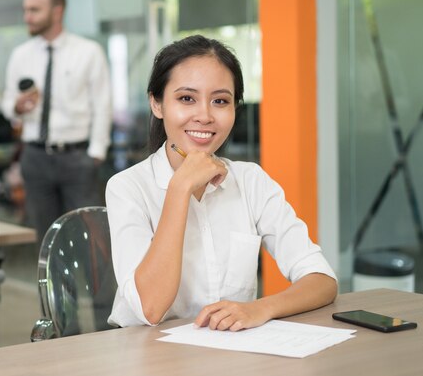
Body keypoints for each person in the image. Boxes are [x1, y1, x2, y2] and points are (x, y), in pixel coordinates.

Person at [106, 35, 337, 330]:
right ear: (157, 103)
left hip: (229, 351)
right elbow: (150, 308)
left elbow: (322, 280)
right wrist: (180, 187)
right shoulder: (127, 187)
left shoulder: (251, 181)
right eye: (186, 98)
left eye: (220, 101)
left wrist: (259, 309)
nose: (204, 116)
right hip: (146, 354)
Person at [2, 0, 112, 239]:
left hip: (76, 156)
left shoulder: (88, 52)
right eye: (26, 9)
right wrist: (16, 106)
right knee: (46, 237)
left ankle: (91, 283)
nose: (27, 16)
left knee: (88, 237)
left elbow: (102, 104)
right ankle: (48, 282)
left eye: (35, 10)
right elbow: (7, 104)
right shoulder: (20, 55)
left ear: (57, 11)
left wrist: (96, 153)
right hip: (35, 157)